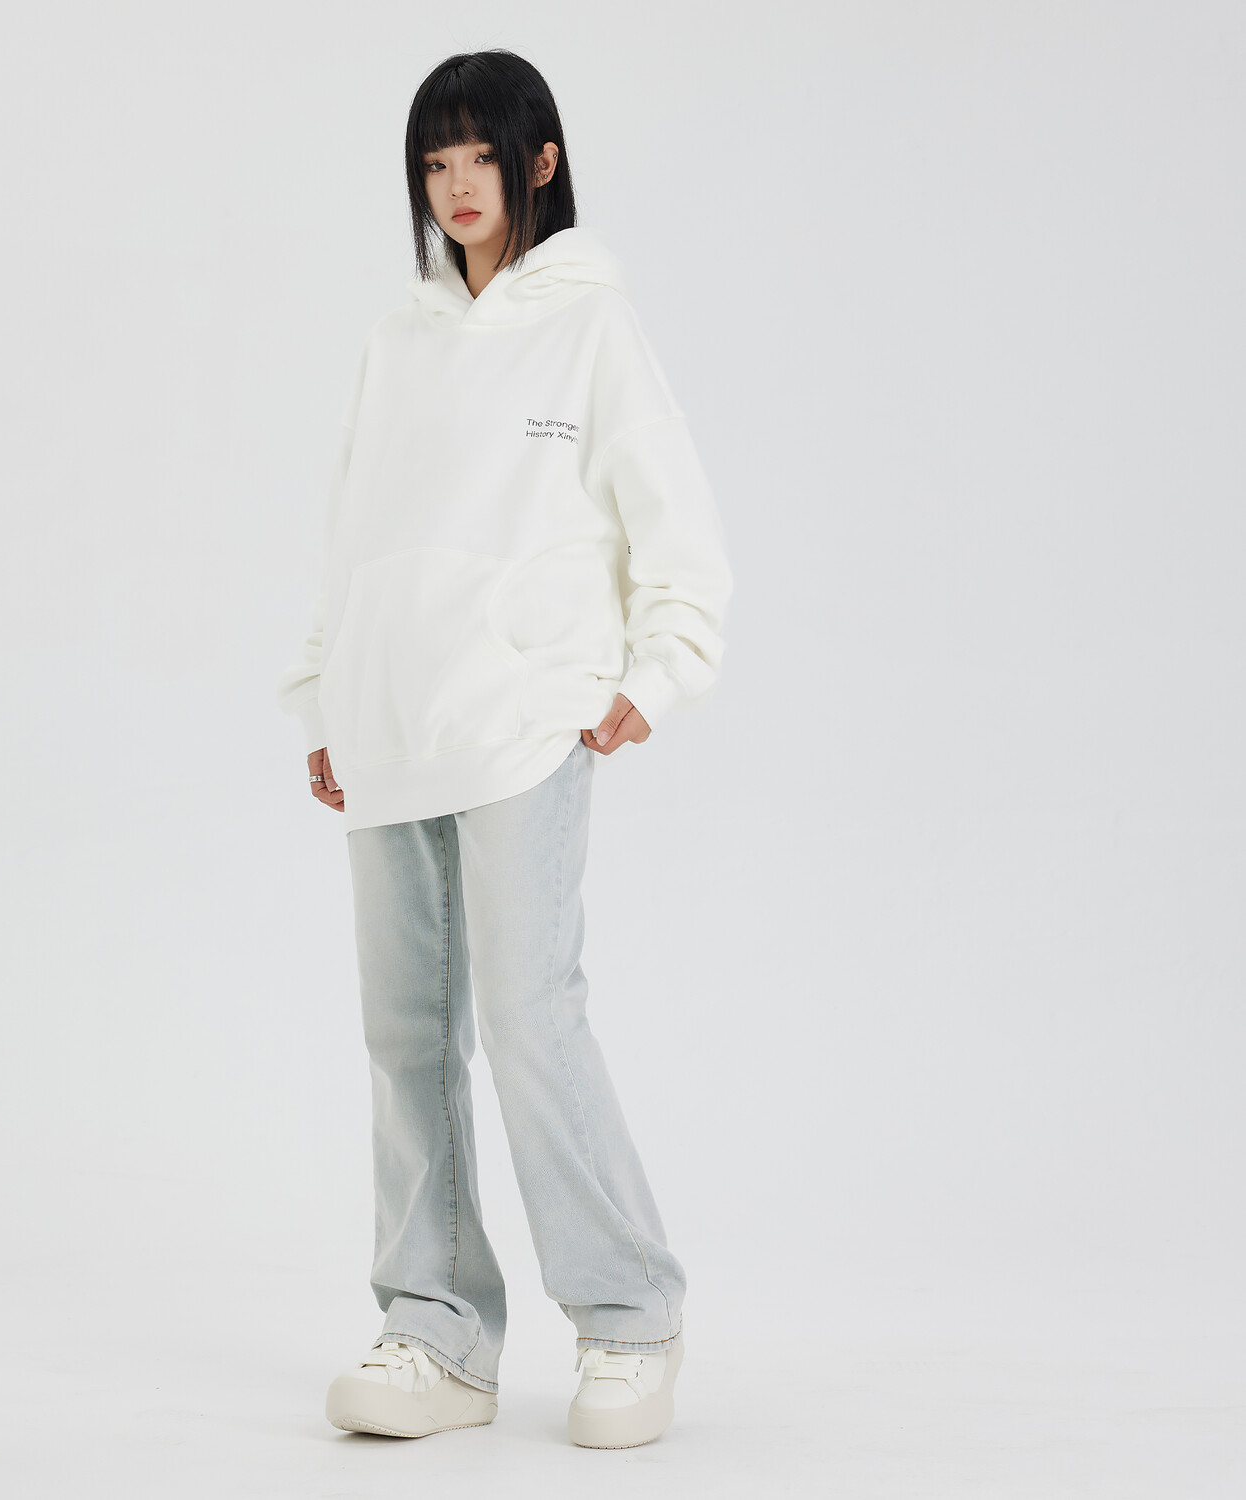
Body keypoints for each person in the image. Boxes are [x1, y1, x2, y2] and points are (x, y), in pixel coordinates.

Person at [276, 48, 732, 1449]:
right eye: (435, 161)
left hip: (527, 721)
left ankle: (631, 1317)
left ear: (541, 162)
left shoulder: (592, 326)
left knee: (531, 1020)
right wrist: (324, 694)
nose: (457, 185)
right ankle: (439, 1334)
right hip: (392, 726)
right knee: (405, 1036)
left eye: (482, 155)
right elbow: (355, 524)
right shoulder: (398, 340)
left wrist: (663, 663)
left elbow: (673, 515)